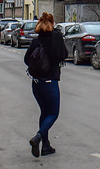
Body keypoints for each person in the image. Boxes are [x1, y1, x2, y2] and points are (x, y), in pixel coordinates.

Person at [25, 12, 68, 157]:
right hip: (50, 82)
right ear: (52, 23)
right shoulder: (56, 37)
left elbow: (26, 59)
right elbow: (63, 55)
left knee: (44, 112)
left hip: (36, 83)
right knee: (53, 113)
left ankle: (46, 146)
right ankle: (38, 137)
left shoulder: (37, 40)